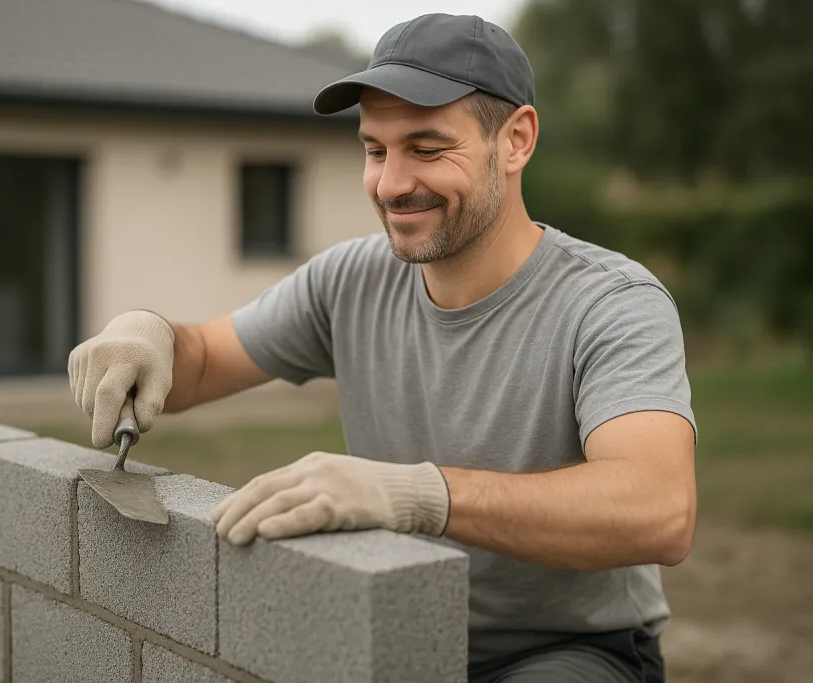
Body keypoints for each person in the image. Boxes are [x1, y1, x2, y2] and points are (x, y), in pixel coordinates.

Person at [67, 12, 697, 683]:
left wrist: (418, 494)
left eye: (426, 149)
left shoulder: (611, 303)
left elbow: (658, 509)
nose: (392, 183)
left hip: (566, 649)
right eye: (375, 150)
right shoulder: (350, 280)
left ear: (515, 141)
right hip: (390, 623)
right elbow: (200, 361)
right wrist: (147, 331)